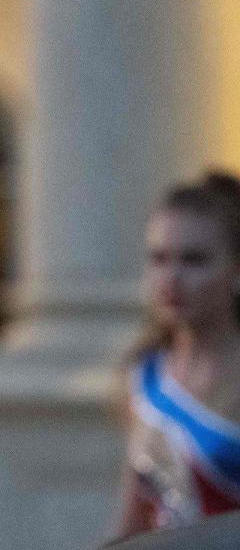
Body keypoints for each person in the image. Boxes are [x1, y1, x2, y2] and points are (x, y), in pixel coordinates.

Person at [115, 172, 240, 537]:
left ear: (236, 269)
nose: (172, 277)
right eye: (159, 258)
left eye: (194, 260)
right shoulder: (142, 375)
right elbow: (132, 524)